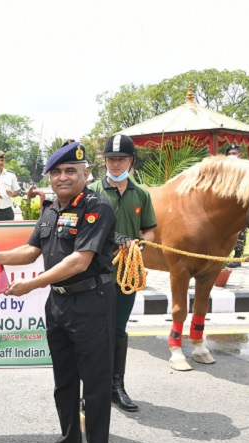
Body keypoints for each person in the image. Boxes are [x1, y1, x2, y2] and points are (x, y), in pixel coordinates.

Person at [0, 142, 117, 443]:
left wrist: (32, 285)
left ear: (85, 174)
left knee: (93, 386)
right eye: (57, 172)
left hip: (92, 302)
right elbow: (32, 250)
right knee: (64, 382)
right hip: (59, 304)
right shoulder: (50, 208)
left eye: (70, 171)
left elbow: (79, 261)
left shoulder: (97, 209)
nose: (63, 177)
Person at [88, 134, 156, 413]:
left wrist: (141, 242)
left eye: (121, 159)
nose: (116, 164)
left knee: (118, 330)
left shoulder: (141, 194)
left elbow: (149, 228)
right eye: (111, 159)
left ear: (131, 161)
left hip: (126, 273)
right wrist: (116, 239)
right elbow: (85, 229)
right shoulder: (91, 191)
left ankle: (117, 386)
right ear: (105, 161)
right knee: (93, 332)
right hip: (94, 272)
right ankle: (92, 388)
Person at [225, 143, 245, 267]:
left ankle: (237, 257)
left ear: (240, 155)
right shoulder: (226, 169)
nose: (232, 156)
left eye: (234, 154)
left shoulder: (245, 168)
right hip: (227, 205)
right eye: (230, 154)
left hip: (240, 203)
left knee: (240, 231)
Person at [0, 151, 21, 220]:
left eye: (2, 160)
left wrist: (12, 194)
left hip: (7, 210)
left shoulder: (11, 175)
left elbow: (17, 191)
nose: (0, 163)